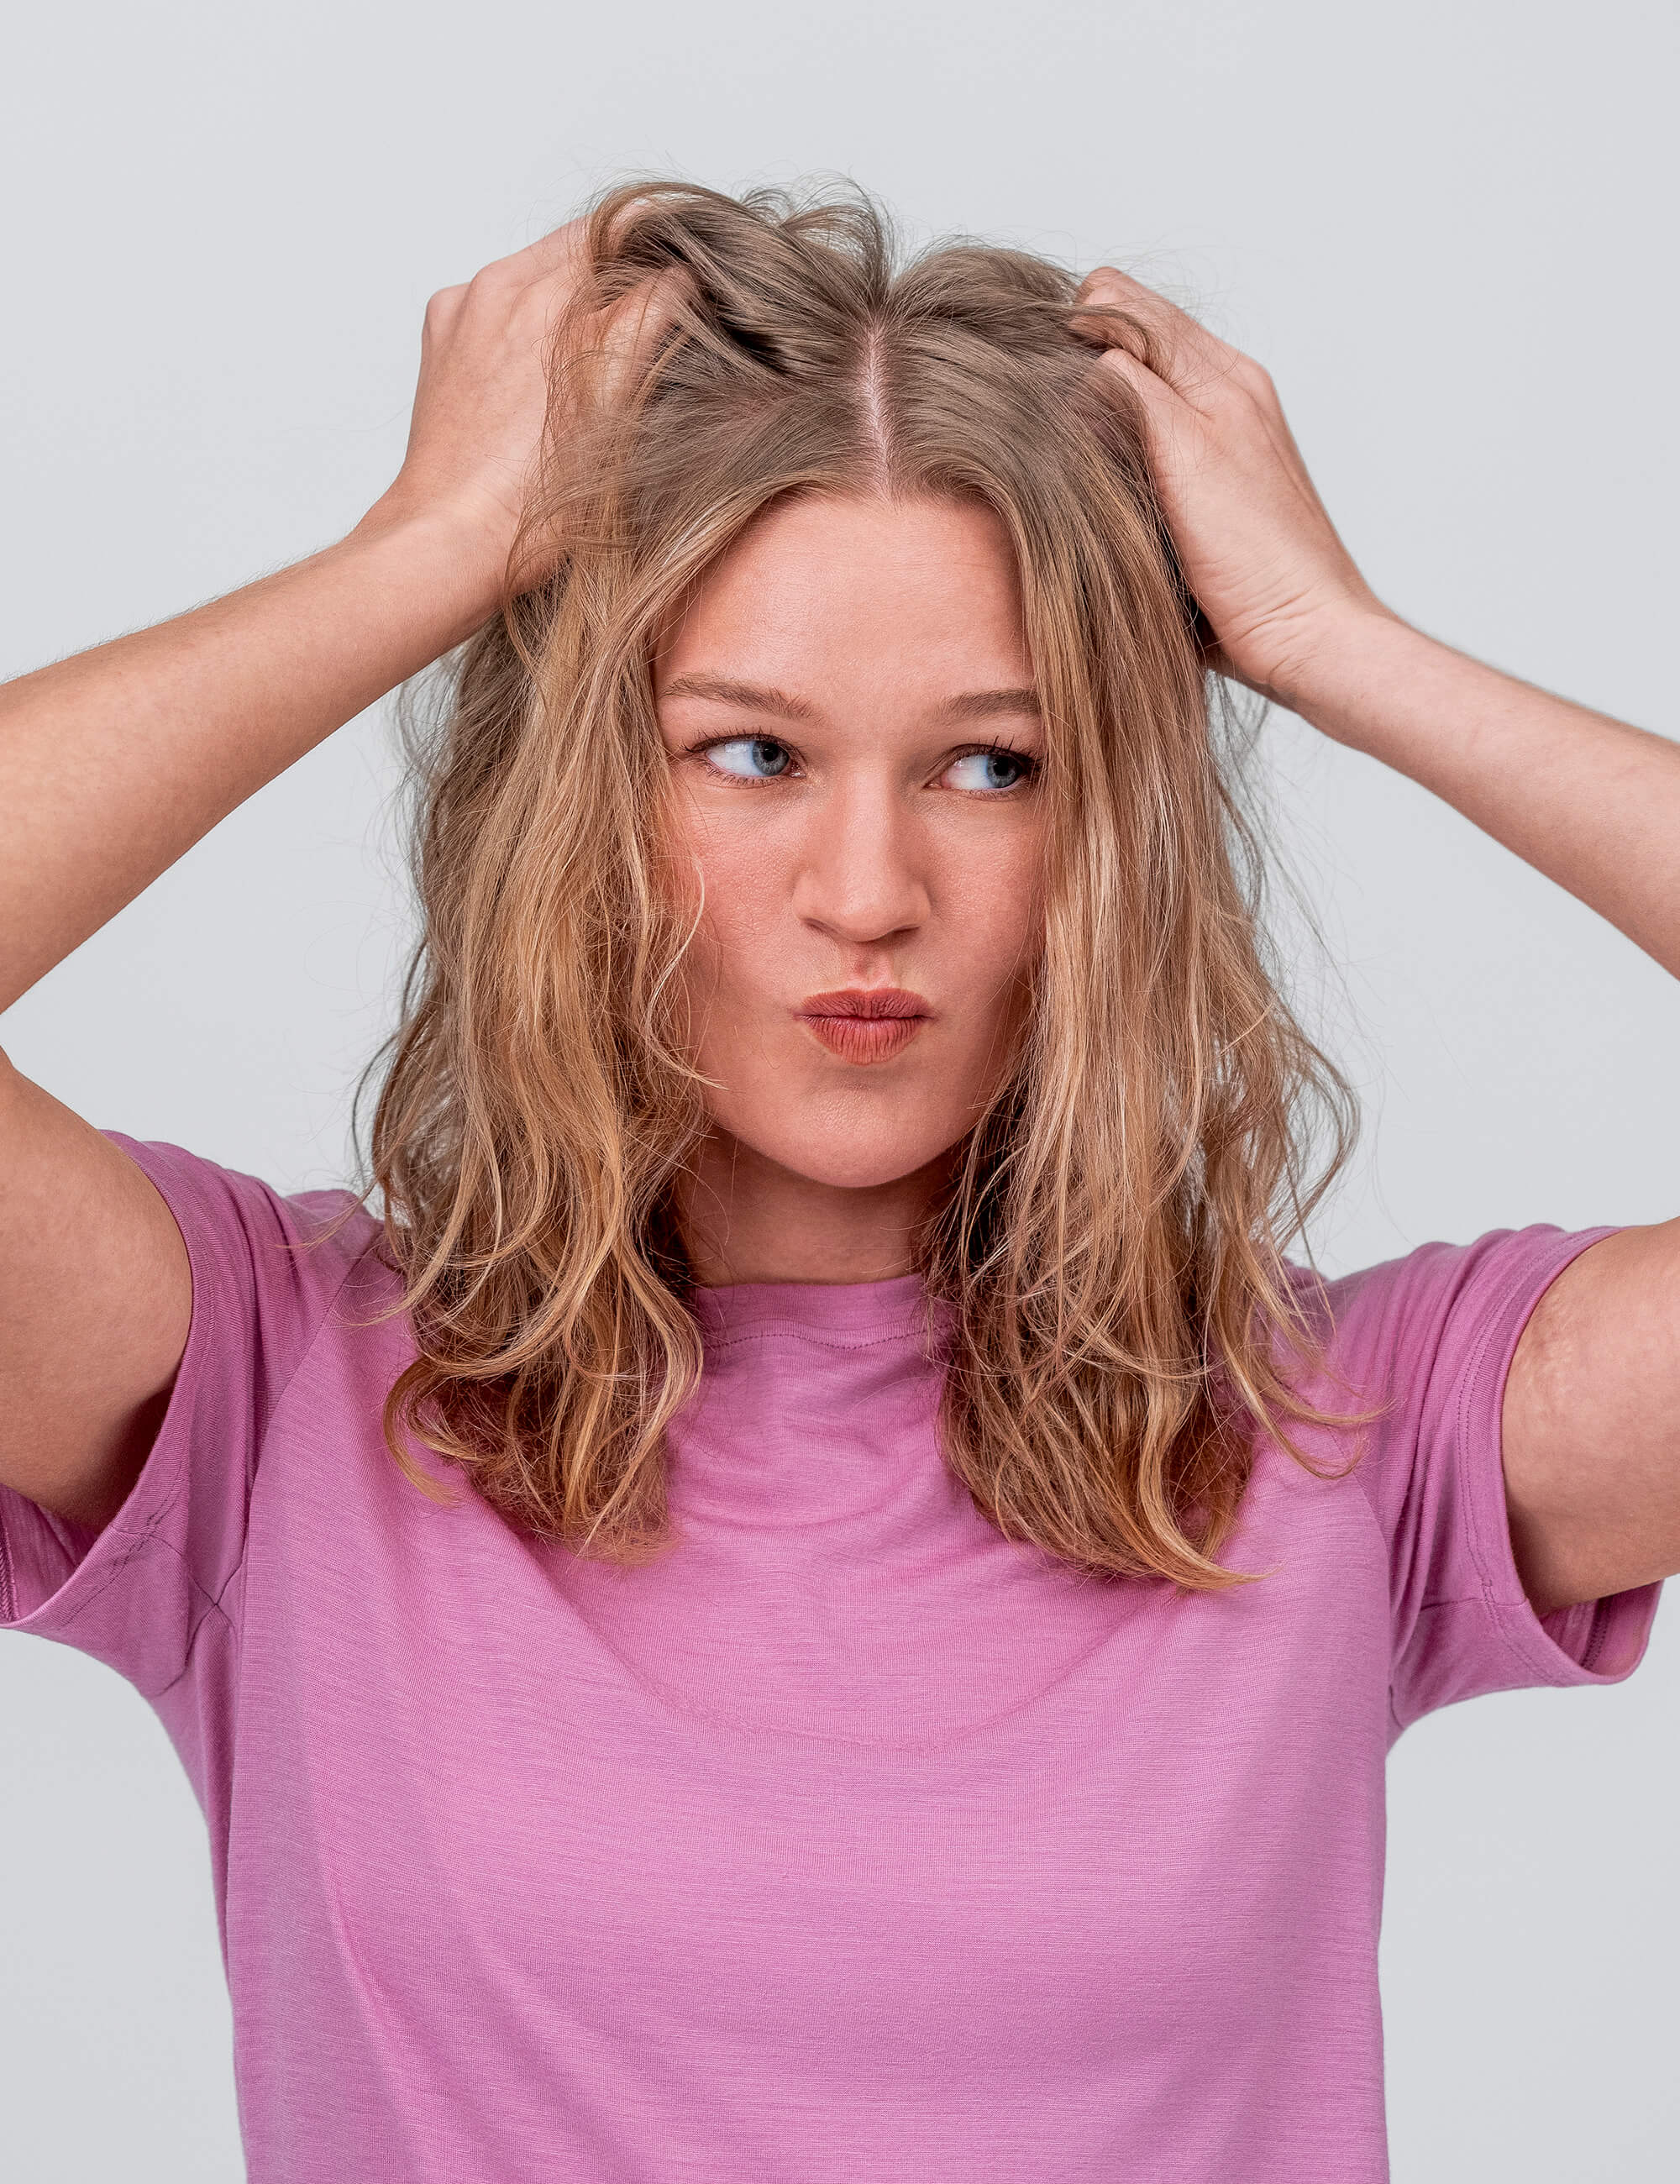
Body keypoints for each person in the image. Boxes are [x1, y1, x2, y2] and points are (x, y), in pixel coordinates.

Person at [0, 180, 1673, 2183]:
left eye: (994, 765)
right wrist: (424, 554)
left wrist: (1339, 646)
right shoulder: (278, 1400)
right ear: (575, 801)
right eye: (750, 754)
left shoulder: (1336, 1435)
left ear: (1110, 832)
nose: (868, 892)